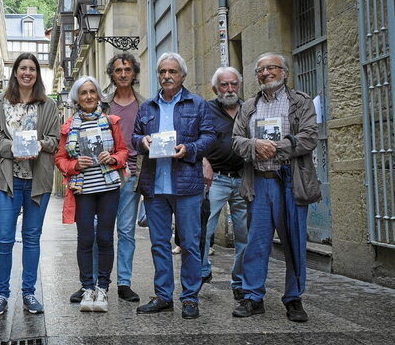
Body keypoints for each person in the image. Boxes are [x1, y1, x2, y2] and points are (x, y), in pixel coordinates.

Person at [231, 53, 320, 323]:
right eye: (260, 69)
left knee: (294, 242)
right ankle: (253, 297)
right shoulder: (248, 106)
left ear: (284, 72)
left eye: (272, 67)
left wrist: (276, 147)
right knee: (255, 244)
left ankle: (294, 298)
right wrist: (255, 146)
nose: (266, 73)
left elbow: (309, 137)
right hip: (258, 182)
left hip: (289, 182)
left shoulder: (300, 102)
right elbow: (236, 141)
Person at [132, 52, 215, 319]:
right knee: (158, 243)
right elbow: (134, 136)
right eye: (162, 72)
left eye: (172, 72)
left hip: (187, 185)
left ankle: (190, 298)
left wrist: (189, 149)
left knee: (190, 243)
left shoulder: (198, 104)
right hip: (155, 185)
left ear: (182, 76)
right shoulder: (147, 107)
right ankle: (163, 296)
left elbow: (210, 136)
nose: (166, 76)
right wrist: (141, 142)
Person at [71, 53, 147, 304]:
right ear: (111, 75)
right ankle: (89, 284)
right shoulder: (102, 105)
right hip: (99, 176)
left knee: (125, 231)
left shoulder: (144, 105)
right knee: (94, 232)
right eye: (118, 70)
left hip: (132, 175)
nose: (123, 74)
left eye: (127, 69)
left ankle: (124, 283)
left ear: (134, 72)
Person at [0, 53, 61, 315]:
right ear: (15, 72)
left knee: (32, 238)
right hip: (8, 179)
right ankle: (1, 294)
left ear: (36, 74)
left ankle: (29, 293)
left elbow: (54, 140)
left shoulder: (48, 105)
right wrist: (16, 148)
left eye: (32, 68)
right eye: (23, 68)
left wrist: (39, 144)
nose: (27, 72)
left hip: (37, 180)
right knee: (4, 238)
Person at [55, 76, 128, 312]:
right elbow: (60, 159)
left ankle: (103, 289)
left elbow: (123, 151)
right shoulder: (68, 126)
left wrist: (114, 158)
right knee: (85, 239)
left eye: (92, 92)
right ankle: (88, 288)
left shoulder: (111, 122)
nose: (88, 96)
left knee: (105, 239)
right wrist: (74, 165)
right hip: (83, 190)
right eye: (83, 93)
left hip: (108, 189)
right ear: (77, 97)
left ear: (98, 95)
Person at [200, 67, 248, 300]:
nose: (229, 89)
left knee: (244, 234)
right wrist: (203, 159)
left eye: (233, 84)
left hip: (244, 179)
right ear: (215, 88)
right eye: (224, 85)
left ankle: (239, 281)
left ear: (239, 86)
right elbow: (194, 138)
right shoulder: (206, 110)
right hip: (215, 179)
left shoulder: (249, 109)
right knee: (203, 229)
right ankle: (201, 271)